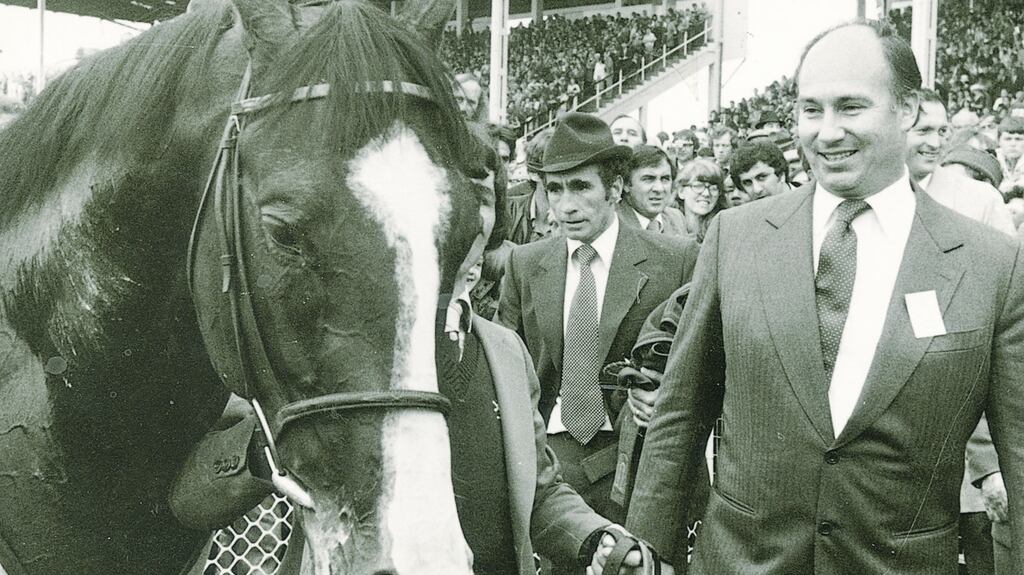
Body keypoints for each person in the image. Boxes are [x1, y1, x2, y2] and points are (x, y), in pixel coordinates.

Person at [626, 20, 1024, 575]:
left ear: (907, 110)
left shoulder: (992, 266)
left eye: (851, 107)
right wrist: (648, 550)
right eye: (811, 110)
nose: (826, 132)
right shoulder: (734, 237)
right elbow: (681, 414)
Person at [497, 112, 699, 574]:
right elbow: (509, 375)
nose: (565, 205)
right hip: (555, 471)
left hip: (639, 468)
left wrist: (666, 395)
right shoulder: (526, 266)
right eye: (555, 190)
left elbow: (705, 360)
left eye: (580, 187)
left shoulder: (678, 259)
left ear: (614, 188)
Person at [903, 90, 1015, 575]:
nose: (934, 141)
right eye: (922, 130)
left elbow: (1007, 318)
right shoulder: (868, 199)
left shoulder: (978, 199)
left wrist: (989, 461)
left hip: (970, 413)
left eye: (941, 130)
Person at [617, 145, 688, 236]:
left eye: (665, 179)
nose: (659, 188)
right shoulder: (613, 222)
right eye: (648, 179)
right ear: (626, 184)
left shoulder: (676, 218)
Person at [674, 158, 729, 242]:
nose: (706, 193)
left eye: (713, 188)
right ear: (681, 191)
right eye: (698, 186)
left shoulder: (723, 228)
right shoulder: (667, 224)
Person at [728, 139, 791, 205]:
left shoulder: (802, 196)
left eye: (762, 177)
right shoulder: (747, 213)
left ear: (781, 175)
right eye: (747, 183)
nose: (757, 190)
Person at [996, 116, 1024, 194]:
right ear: (999, 141)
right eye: (1008, 139)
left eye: (1018, 139)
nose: (1013, 144)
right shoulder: (993, 159)